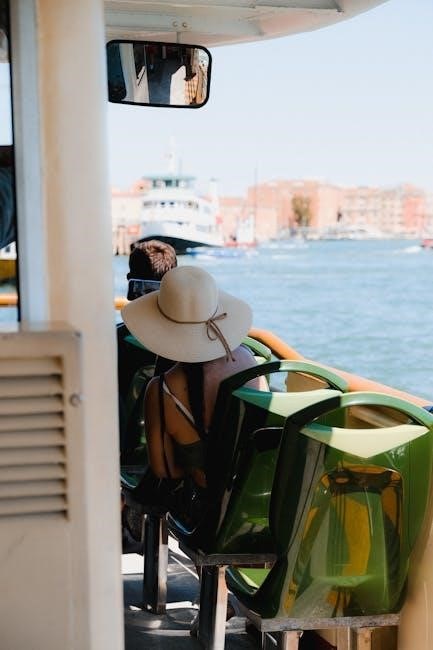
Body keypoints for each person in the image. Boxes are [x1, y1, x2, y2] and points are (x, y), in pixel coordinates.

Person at [121, 265, 266, 520]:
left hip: (206, 509)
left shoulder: (163, 389)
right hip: (256, 496)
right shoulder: (249, 360)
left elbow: (166, 471)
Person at [117, 239, 177, 457]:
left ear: (130, 284)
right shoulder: (193, 344)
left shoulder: (116, 341)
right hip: (173, 449)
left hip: (126, 449)